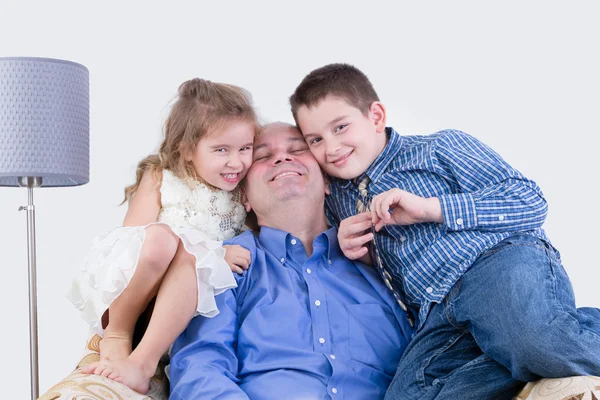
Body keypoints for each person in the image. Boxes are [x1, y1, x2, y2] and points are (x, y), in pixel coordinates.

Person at [289, 63, 600, 399]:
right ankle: (529, 368)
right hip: (436, 312)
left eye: (340, 127)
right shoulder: (337, 197)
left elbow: (529, 201)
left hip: (495, 265)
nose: (331, 148)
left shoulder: (438, 149)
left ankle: (552, 340)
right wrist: (357, 254)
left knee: (537, 343)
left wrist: (431, 208)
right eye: (315, 140)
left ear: (376, 117)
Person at [168, 122, 414, 400]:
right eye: (262, 156)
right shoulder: (230, 263)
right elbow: (200, 366)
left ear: (327, 182)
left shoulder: (378, 263)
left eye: (298, 149)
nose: (282, 158)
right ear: (244, 196)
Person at [67, 78, 257, 394]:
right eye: (221, 149)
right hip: (142, 289)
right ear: (186, 149)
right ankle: (117, 334)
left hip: (190, 303)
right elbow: (131, 242)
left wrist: (213, 257)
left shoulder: (243, 190)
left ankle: (142, 364)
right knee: (161, 239)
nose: (236, 162)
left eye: (245, 148)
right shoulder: (161, 177)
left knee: (195, 260)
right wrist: (213, 253)